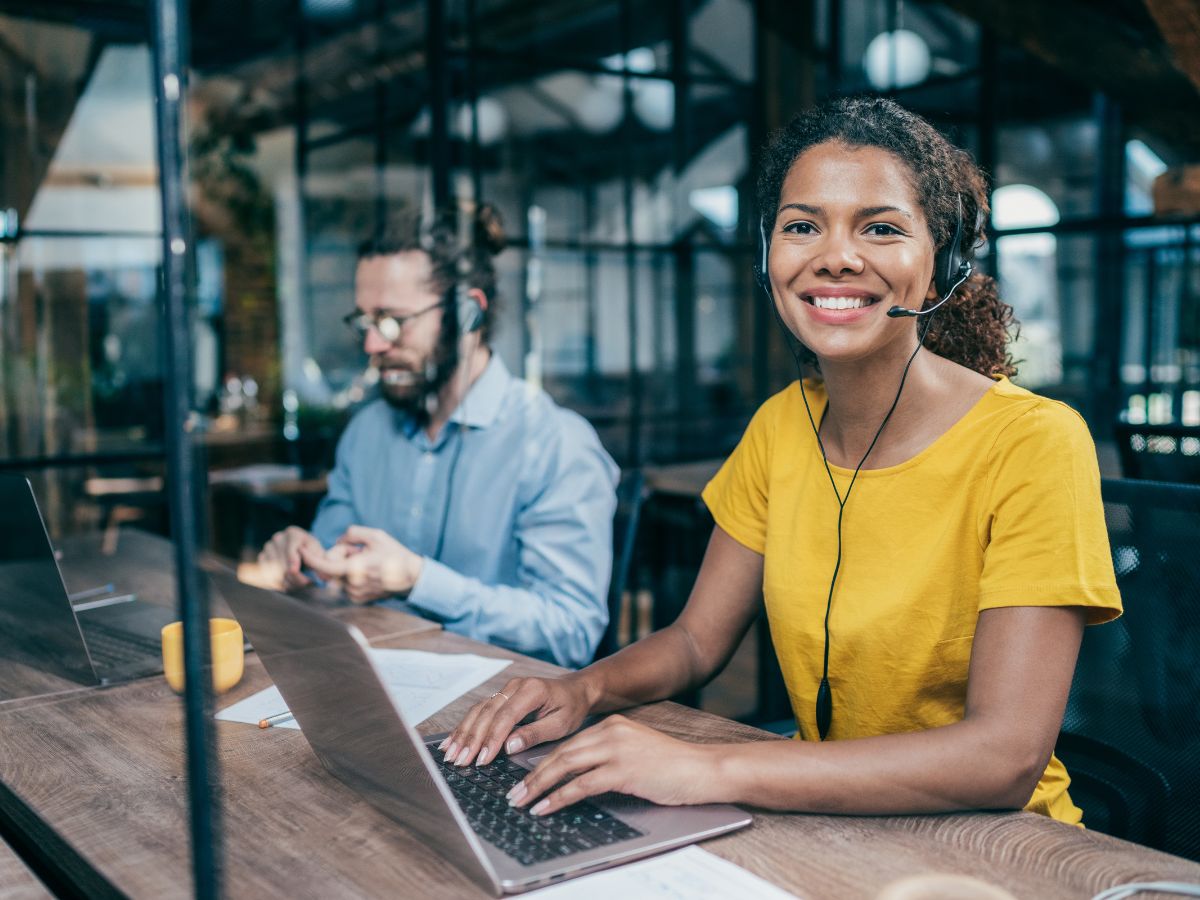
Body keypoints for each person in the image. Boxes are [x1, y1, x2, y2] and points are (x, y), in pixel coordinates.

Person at [440, 97, 1122, 824]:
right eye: (802, 226)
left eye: (881, 228)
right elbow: (697, 640)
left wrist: (707, 766)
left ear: (940, 266)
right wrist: (584, 689)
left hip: (995, 852)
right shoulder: (781, 425)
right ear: (769, 258)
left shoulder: (1034, 442)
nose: (834, 256)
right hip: (823, 820)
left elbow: (1003, 759)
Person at [256, 204, 618, 668]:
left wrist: (418, 580)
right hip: (370, 687)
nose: (373, 345)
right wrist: (304, 562)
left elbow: (569, 632)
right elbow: (331, 574)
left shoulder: (554, 444)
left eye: (392, 321)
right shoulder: (367, 432)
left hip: (494, 716)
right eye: (365, 322)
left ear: (469, 313)